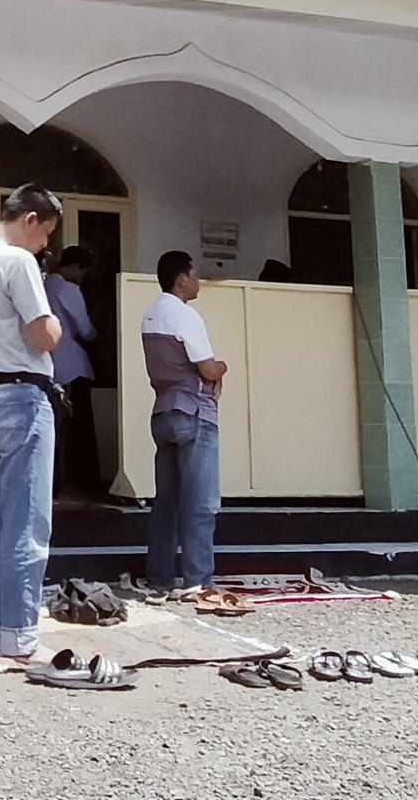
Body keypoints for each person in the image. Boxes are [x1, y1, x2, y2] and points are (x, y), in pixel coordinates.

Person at [0, 185, 64, 661]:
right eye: (46, 234)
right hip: (23, 396)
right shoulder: (18, 261)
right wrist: (56, 326)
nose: (45, 245)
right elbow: (43, 334)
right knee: (27, 522)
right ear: (32, 220)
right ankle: (21, 634)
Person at [142, 250, 227, 592]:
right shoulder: (185, 316)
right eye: (194, 275)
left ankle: (159, 578)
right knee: (201, 503)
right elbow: (206, 368)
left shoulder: (150, 315)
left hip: (162, 413)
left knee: (166, 504)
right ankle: (199, 581)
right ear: (181, 279)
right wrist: (223, 368)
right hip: (194, 413)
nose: (197, 281)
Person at [43, 245, 101, 496]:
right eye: (83, 272)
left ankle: (54, 481)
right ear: (76, 268)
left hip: (49, 365)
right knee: (78, 431)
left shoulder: (44, 285)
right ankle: (80, 481)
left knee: (55, 429)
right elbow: (86, 329)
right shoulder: (69, 289)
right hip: (72, 365)